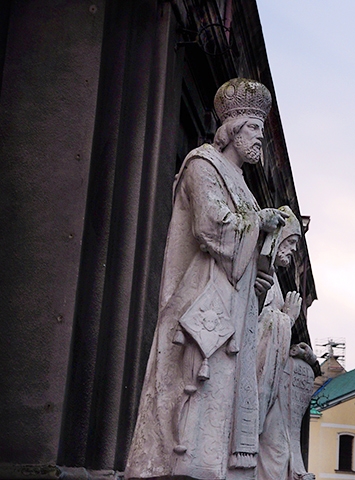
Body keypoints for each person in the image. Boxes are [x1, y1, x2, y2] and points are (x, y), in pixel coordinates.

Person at [126, 78, 286, 480]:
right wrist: (260, 222)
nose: (259, 139)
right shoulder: (203, 164)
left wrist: (262, 272)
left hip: (236, 315)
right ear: (232, 129)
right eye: (254, 128)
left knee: (224, 403)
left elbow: (245, 259)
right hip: (202, 304)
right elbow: (212, 228)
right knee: (193, 394)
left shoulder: (245, 187)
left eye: (261, 132)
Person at [253, 207, 316, 480]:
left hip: (275, 382)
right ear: (276, 238)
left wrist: (300, 354)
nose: (292, 252)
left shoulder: (277, 280)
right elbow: (252, 329)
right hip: (261, 385)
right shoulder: (261, 272)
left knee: (280, 451)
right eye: (290, 243)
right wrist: (287, 321)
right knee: (274, 452)